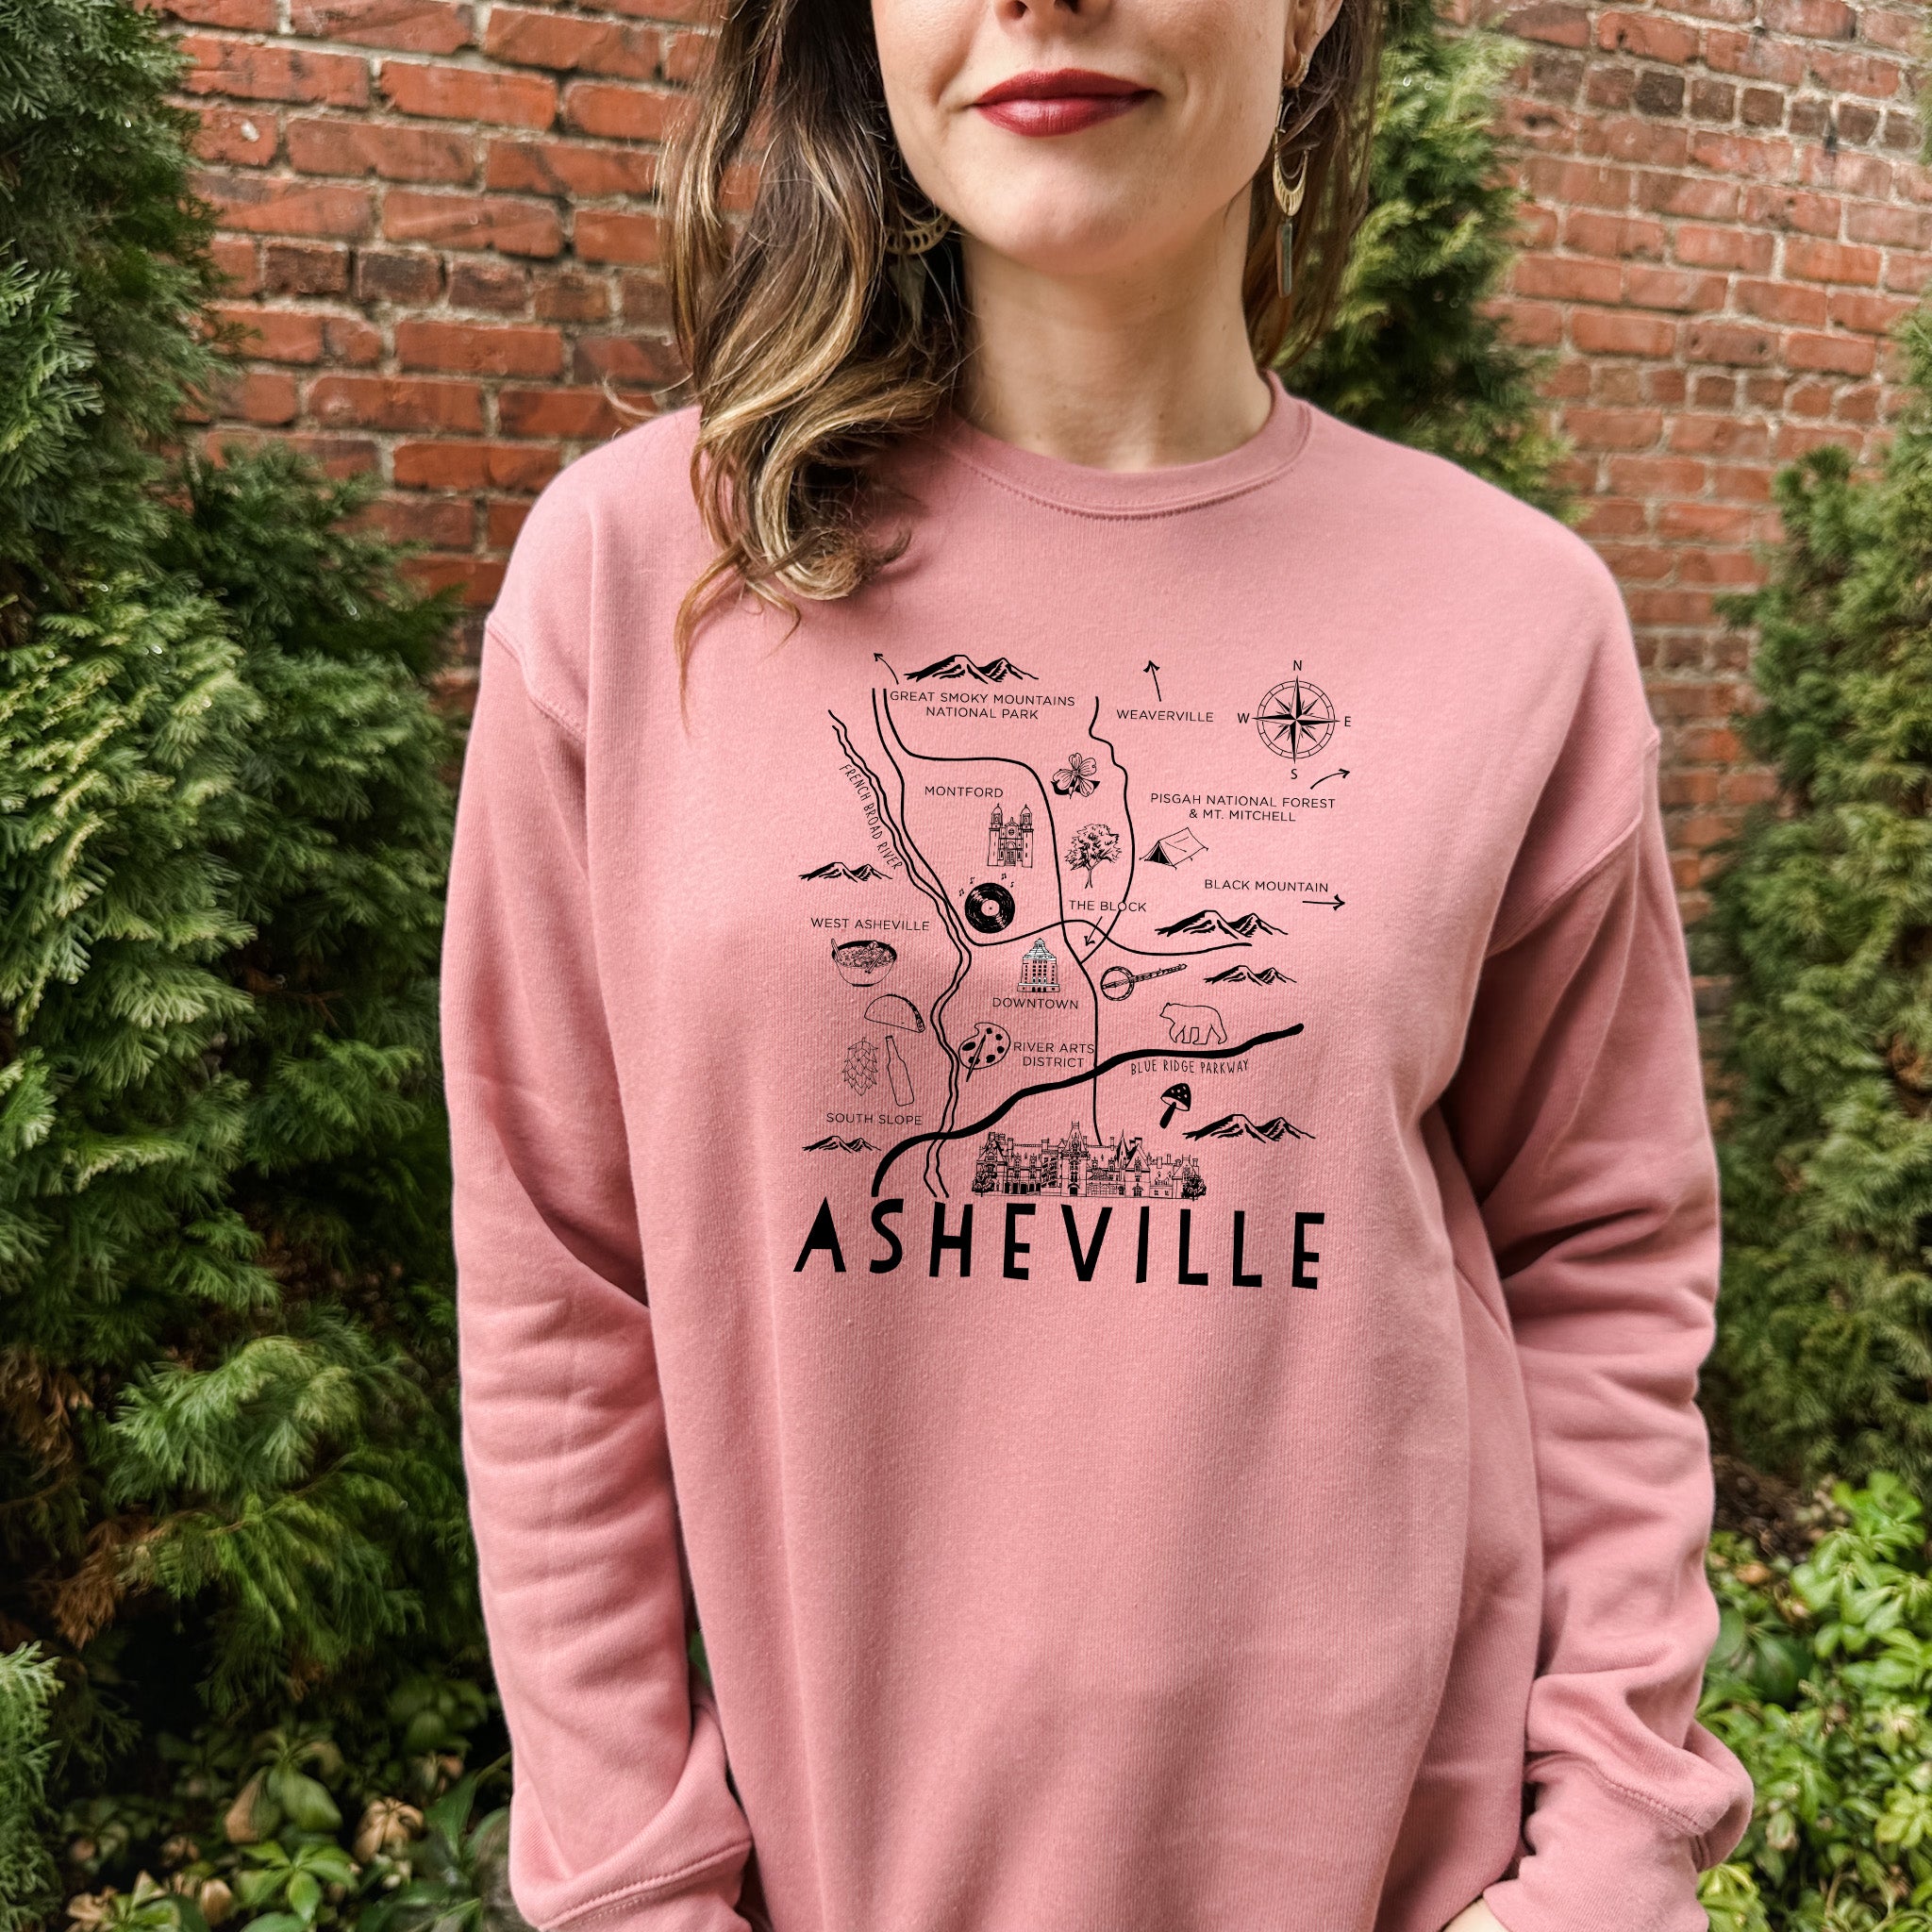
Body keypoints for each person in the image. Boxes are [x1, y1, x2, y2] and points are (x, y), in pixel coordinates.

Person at [439, 0, 1758, 1917]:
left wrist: (1611, 1849)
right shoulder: (645, 576)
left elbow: (1606, 1264)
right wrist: (639, 1887)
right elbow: (555, 1284)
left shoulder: (1515, 620)